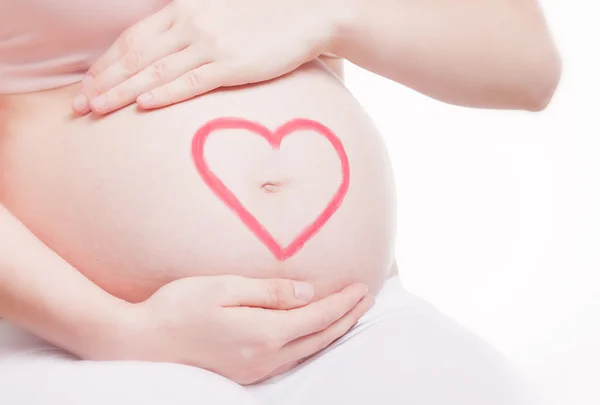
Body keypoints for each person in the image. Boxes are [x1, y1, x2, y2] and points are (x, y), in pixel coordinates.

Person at [0, 0, 561, 404]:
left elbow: (527, 65)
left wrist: (333, 13)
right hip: (79, 342)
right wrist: (115, 330)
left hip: (354, 323)